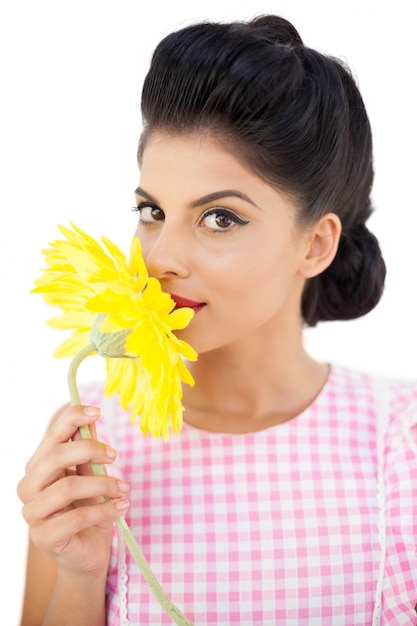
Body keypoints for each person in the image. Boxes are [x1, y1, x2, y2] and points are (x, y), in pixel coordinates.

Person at [17, 13, 417, 626]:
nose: (159, 258)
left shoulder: (401, 443)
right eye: (152, 211)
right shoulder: (94, 441)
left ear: (315, 244)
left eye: (220, 218)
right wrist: (80, 574)